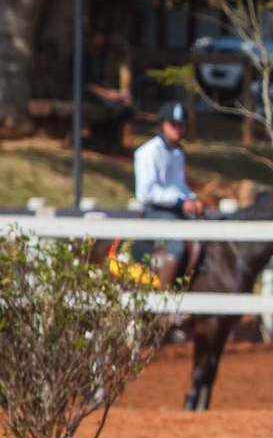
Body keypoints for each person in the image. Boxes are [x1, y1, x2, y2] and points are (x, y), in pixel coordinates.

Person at [134, 101, 205, 285]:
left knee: (205, 236)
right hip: (155, 211)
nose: (178, 129)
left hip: (176, 210)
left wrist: (192, 199)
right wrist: (181, 201)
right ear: (163, 124)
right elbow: (146, 192)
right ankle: (163, 302)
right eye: (173, 125)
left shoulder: (178, 152)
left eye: (181, 125)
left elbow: (178, 184)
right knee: (176, 246)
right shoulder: (148, 152)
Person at [83, 31, 133, 151]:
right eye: (97, 37)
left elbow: (106, 82)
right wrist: (107, 95)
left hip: (104, 92)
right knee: (113, 108)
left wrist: (119, 95)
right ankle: (102, 142)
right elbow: (87, 85)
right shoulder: (83, 57)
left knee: (127, 107)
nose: (100, 41)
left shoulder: (103, 57)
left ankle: (114, 142)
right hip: (88, 94)